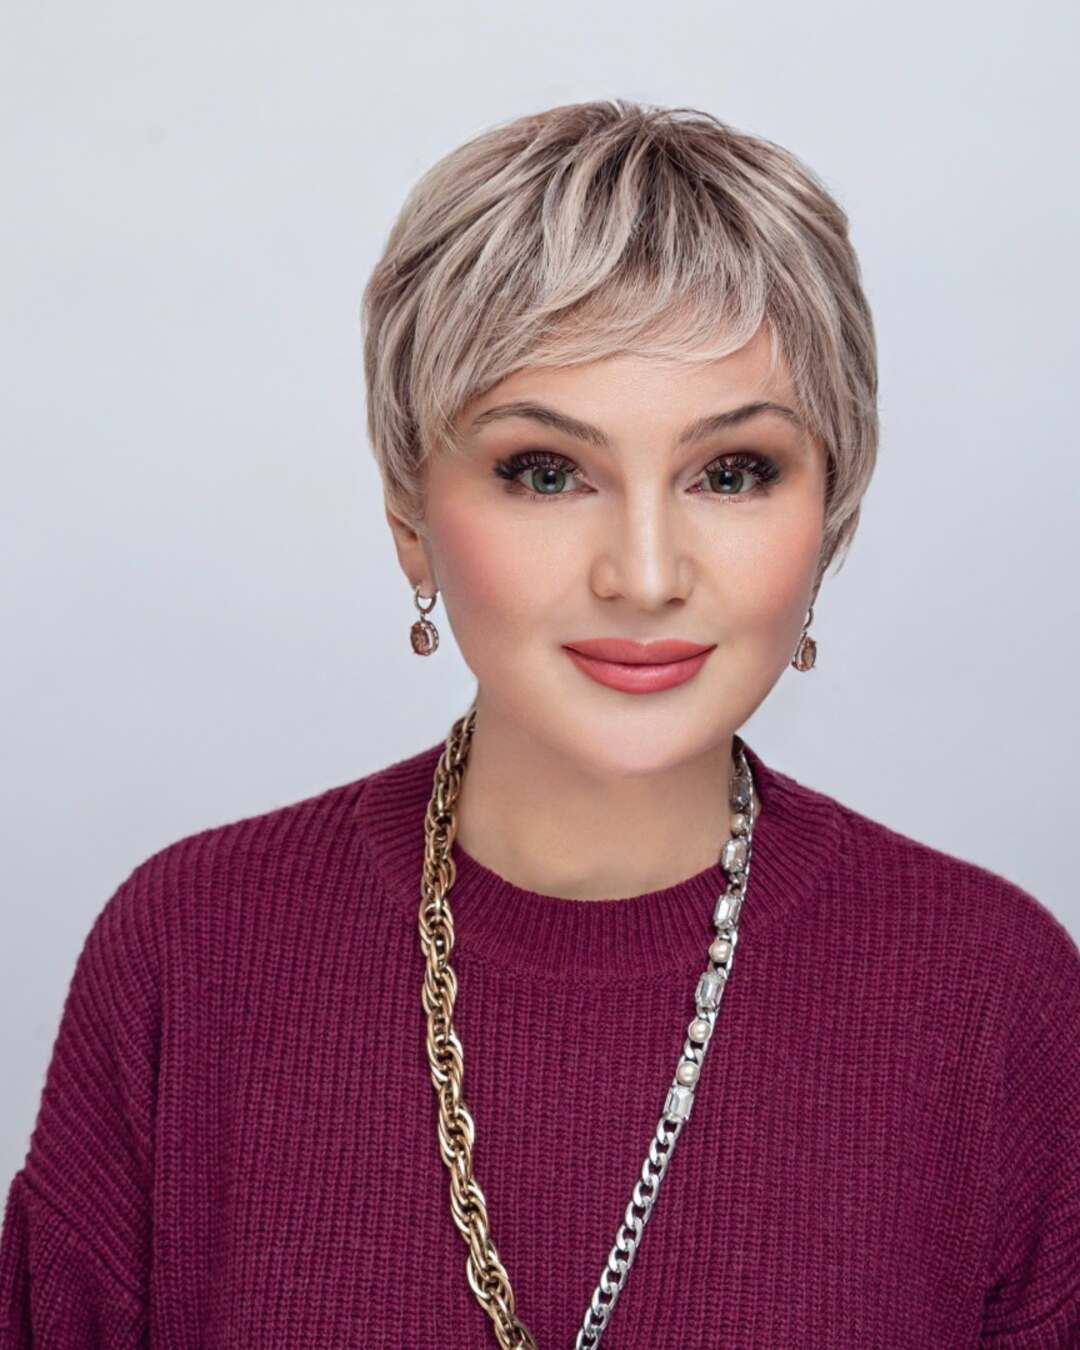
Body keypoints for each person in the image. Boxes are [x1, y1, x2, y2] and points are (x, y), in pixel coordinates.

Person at [2, 100, 1077, 1349]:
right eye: (546, 471)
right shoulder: (188, 957)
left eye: (732, 472)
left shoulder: (995, 997)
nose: (644, 574)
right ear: (410, 516)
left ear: (832, 511)